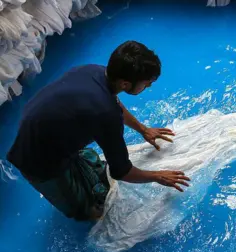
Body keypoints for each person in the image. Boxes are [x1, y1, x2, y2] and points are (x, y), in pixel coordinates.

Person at [7, 41, 191, 221]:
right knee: (92, 213)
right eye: (146, 83)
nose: (148, 87)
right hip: (39, 163)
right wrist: (158, 176)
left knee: (98, 174)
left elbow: (114, 103)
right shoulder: (104, 114)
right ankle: (77, 204)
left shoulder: (92, 70)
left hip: (39, 131)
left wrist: (143, 129)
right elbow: (122, 172)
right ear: (125, 84)